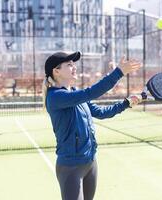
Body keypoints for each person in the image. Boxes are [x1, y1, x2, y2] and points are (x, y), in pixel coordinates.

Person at [42, 51, 142, 200]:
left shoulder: (74, 93)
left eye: (73, 64)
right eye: (69, 65)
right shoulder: (56, 97)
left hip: (90, 163)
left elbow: (101, 112)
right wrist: (119, 72)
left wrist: (126, 103)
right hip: (70, 167)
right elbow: (91, 92)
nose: (74, 67)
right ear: (56, 71)